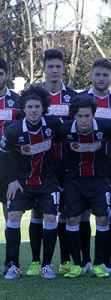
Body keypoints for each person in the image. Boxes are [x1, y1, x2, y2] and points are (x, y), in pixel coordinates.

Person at [26, 49, 79, 277]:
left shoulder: (74, 97)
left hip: (66, 163)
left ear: (64, 68)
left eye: (59, 66)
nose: (55, 71)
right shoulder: (33, 96)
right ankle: (36, 261)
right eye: (51, 67)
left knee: (65, 211)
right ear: (43, 68)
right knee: (38, 213)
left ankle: (65, 261)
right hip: (40, 164)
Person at [0, 84, 61, 279]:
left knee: (51, 218)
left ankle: (47, 266)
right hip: (22, 183)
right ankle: (12, 266)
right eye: (30, 107)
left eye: (37, 106)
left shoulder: (54, 124)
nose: (34, 110)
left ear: (43, 107)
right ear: (23, 109)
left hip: (47, 181)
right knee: (14, 216)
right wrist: (12, 181)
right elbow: (2, 155)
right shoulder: (12, 130)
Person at [58, 94, 111, 278]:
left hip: (99, 179)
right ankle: (78, 264)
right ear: (73, 116)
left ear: (94, 115)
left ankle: (99, 264)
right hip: (73, 180)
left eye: (87, 116)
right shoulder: (63, 129)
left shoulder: (107, 127)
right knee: (72, 219)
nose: (84, 120)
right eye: (79, 116)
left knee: (102, 219)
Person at [78, 58, 111, 273]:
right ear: (91, 75)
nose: (101, 78)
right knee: (84, 213)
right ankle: (85, 260)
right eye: (98, 74)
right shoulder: (80, 100)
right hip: (83, 166)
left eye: (105, 74)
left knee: (110, 213)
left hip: (110, 166)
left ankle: (105, 260)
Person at [0, 58, 20, 224]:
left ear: (7, 75)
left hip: (7, 161)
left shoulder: (17, 101)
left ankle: (9, 247)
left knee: (8, 207)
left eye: (0, 74)